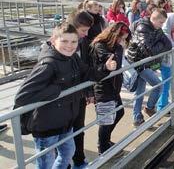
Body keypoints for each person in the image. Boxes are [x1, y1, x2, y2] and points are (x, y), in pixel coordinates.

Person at [13, 22, 117, 169]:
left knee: (68, 153)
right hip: (46, 125)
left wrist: (105, 68)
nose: (70, 45)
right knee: (45, 164)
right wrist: (57, 90)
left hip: (66, 121)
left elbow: (87, 73)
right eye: (64, 41)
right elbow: (22, 96)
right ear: (54, 40)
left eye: (74, 41)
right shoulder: (48, 64)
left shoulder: (73, 58)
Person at [127, 9, 172, 127]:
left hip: (147, 62)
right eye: (161, 22)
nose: (162, 25)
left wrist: (158, 46)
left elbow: (169, 44)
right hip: (139, 62)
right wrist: (159, 46)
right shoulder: (143, 28)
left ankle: (137, 117)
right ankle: (149, 108)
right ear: (154, 19)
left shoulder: (157, 29)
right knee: (158, 86)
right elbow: (149, 50)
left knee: (140, 91)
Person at [91, 22, 131, 154]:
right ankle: (102, 147)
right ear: (114, 35)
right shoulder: (100, 45)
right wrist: (120, 48)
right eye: (121, 38)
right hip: (103, 88)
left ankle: (105, 140)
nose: (122, 41)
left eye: (125, 38)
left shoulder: (115, 45)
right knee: (106, 120)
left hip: (113, 87)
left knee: (119, 113)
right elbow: (115, 64)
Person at [67, 10, 94, 169]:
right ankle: (65, 164)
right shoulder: (60, 42)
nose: (86, 34)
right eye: (84, 30)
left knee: (79, 129)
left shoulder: (83, 42)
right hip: (63, 98)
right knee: (63, 134)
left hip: (79, 95)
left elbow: (86, 67)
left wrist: (89, 91)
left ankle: (79, 159)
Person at [157, 13, 174, 111]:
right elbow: (171, 47)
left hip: (169, 61)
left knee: (167, 84)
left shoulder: (170, 32)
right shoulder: (165, 34)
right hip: (165, 62)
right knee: (166, 84)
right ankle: (162, 107)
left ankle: (164, 102)